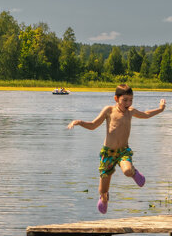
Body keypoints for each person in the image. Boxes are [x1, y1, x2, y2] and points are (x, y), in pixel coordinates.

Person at [67, 84, 165, 214]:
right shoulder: (109, 110)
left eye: (131, 100)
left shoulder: (131, 112)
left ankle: (134, 172)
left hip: (123, 151)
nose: (128, 103)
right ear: (116, 98)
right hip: (108, 153)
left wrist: (160, 109)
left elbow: (146, 114)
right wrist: (79, 122)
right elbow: (93, 125)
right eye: (125, 100)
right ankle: (104, 198)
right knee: (103, 190)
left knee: (127, 171)